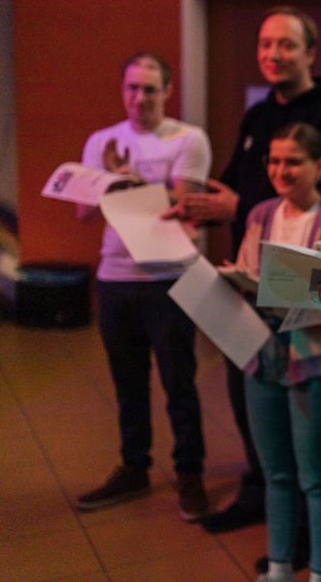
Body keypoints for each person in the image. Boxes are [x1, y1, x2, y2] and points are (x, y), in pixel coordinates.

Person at [172, 6, 321, 538]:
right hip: (249, 291)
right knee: (250, 401)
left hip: (303, 297)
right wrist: (196, 204)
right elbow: (234, 183)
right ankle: (262, 491)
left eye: (286, 45)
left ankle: (305, 520)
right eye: (265, 44)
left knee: (304, 422)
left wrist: (236, 206)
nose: (273, 55)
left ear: (309, 54)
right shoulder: (256, 117)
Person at [75, 52, 210, 521]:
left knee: (180, 384)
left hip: (168, 278)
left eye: (150, 88)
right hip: (114, 277)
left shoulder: (188, 139)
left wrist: (133, 183)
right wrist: (110, 181)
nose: (140, 98)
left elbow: (184, 203)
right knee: (127, 384)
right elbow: (83, 212)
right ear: (122, 90)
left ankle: (189, 474)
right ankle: (134, 468)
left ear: (167, 91)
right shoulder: (100, 141)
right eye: (132, 88)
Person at [233, 122, 321, 582]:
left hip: (316, 361)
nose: (281, 170)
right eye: (275, 160)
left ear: (319, 166)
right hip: (263, 357)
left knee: (317, 478)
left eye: (293, 161)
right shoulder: (261, 213)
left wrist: (291, 296)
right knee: (275, 473)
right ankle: (280, 567)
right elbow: (247, 273)